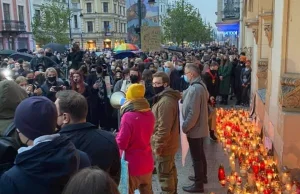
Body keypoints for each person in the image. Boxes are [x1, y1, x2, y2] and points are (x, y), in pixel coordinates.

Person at [0, 96, 91, 194]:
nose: (17, 130)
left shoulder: (11, 179)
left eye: (19, 126)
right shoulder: (82, 158)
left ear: (26, 131)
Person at [55, 90, 121, 184]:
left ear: (65, 117)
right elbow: (115, 178)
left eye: (54, 111)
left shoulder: (54, 145)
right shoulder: (108, 139)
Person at [116, 84, 155, 194]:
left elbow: (122, 143)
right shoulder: (150, 113)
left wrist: (115, 138)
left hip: (132, 165)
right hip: (147, 162)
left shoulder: (128, 116)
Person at [181, 64, 209, 193]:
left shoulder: (195, 89)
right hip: (200, 127)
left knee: (196, 157)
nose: (185, 75)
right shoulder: (200, 86)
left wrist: (185, 127)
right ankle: (202, 176)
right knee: (200, 154)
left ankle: (198, 185)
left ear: (191, 74)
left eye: (186, 73)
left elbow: (193, 112)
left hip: (195, 129)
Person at [151, 72, 180, 194]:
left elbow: (163, 128)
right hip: (169, 143)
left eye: (158, 83)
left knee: (164, 175)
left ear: (165, 84)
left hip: (165, 145)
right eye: (153, 83)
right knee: (170, 170)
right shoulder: (164, 98)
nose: (155, 85)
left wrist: (158, 146)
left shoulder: (165, 102)